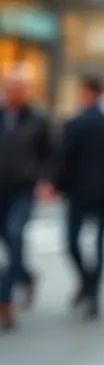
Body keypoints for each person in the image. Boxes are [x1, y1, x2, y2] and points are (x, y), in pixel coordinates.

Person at [53, 73, 104, 319]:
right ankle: (93, 292)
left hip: (78, 191)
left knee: (72, 240)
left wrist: (58, 185)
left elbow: (64, 158)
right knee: (99, 244)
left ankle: (87, 282)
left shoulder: (75, 123)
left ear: (85, 92)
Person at [0, 65, 54, 330]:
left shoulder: (38, 119)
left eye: (19, 87)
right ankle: (25, 276)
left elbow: (49, 154)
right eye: (10, 87)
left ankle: (5, 300)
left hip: (23, 188)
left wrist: (45, 180)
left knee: (15, 233)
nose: (14, 92)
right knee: (9, 242)